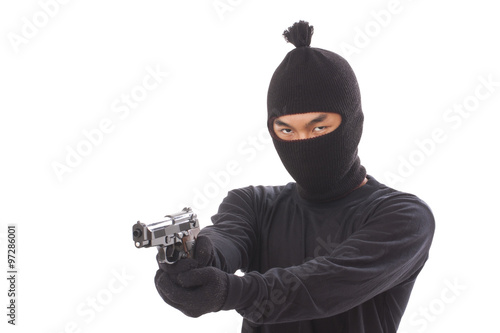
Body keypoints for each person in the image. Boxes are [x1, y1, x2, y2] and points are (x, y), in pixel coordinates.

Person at [154, 20, 435, 333]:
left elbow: (326, 283)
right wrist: (198, 258)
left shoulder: (404, 217)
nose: (304, 142)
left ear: (352, 122)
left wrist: (231, 292)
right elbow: (228, 240)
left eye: (319, 128)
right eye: (286, 130)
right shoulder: (252, 203)